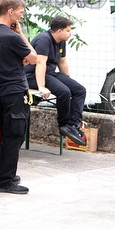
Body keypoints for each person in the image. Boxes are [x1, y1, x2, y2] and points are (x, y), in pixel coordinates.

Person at [0, 0, 38, 195]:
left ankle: (7, 174)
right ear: (10, 12)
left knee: (10, 134)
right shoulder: (12, 37)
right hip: (14, 92)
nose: (22, 15)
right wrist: (22, 34)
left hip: (0, 90)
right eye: (20, 11)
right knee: (14, 135)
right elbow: (34, 58)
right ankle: (4, 180)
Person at [25, 16, 87, 146]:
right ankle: (64, 125)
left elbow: (62, 61)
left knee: (79, 90)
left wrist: (67, 80)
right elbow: (40, 64)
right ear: (59, 31)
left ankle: (72, 125)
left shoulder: (61, 41)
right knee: (64, 92)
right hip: (32, 75)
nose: (70, 34)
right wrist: (41, 86)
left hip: (50, 73)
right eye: (68, 30)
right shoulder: (44, 40)